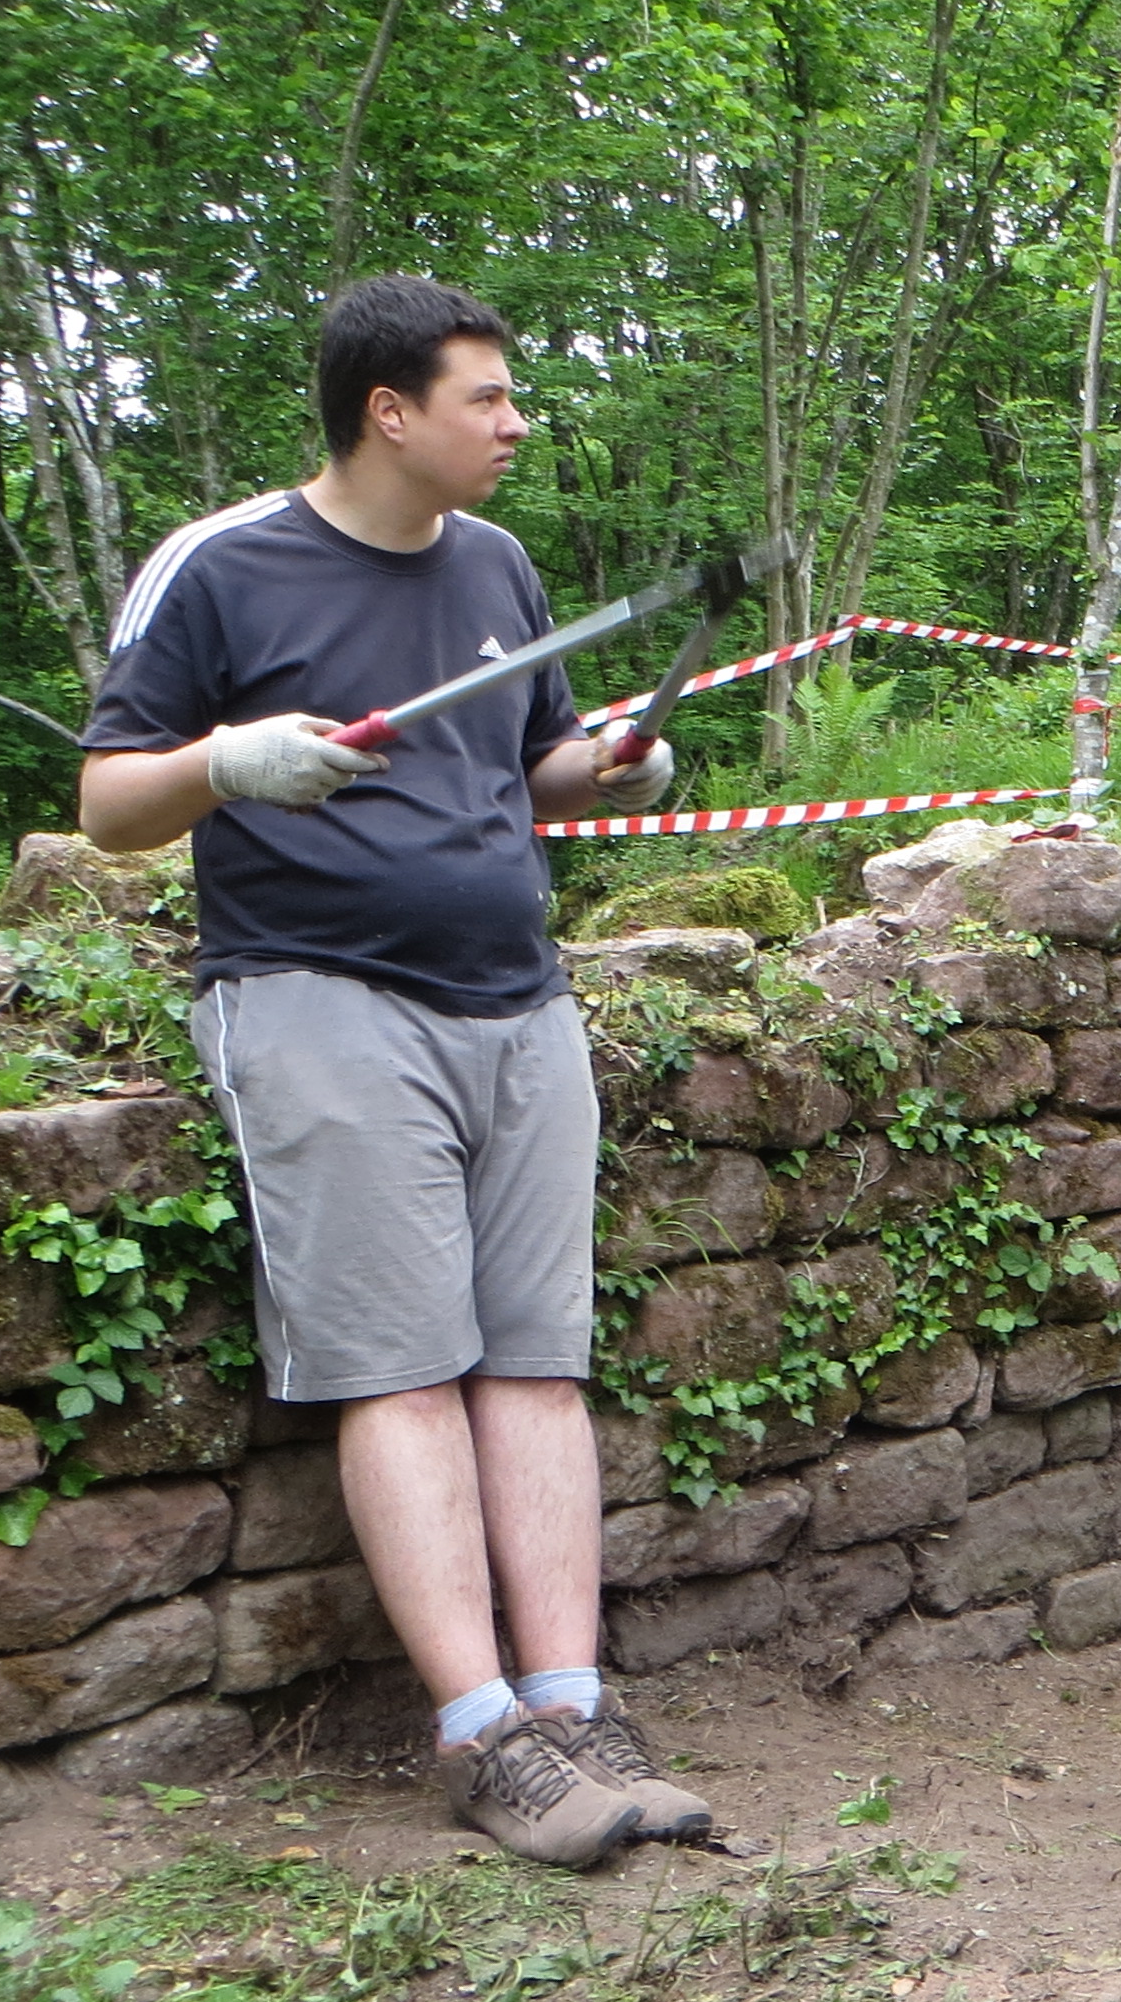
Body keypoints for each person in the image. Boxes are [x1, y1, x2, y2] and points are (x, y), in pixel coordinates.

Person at [78, 275, 710, 1863]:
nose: (515, 424)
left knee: (536, 1362)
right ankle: (482, 1737)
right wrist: (231, 762)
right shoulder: (223, 565)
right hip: (320, 1002)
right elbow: (109, 806)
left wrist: (614, 766)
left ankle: (572, 1708)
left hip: (520, 1001)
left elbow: (530, 765)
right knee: (403, 1368)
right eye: (486, 397)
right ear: (389, 411)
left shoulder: (495, 563)